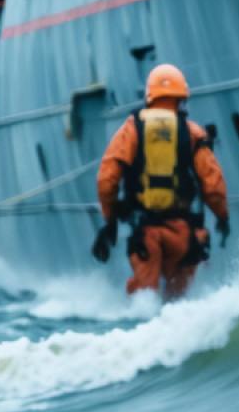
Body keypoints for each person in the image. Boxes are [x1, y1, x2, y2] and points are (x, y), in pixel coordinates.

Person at [92, 63, 230, 298]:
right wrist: (222, 217)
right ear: (182, 97)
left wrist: (110, 221)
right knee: (178, 302)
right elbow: (213, 184)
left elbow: (107, 179)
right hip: (184, 234)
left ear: (149, 95)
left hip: (146, 235)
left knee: (145, 301)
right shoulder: (193, 133)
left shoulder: (131, 129)